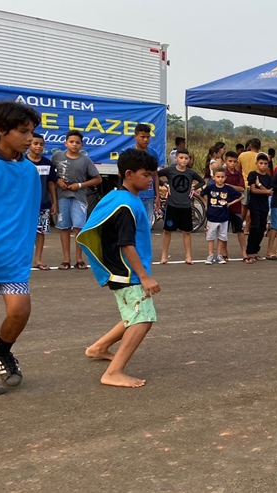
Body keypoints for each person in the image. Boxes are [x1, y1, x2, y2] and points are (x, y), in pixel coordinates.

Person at [78, 149, 161, 389]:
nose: (150, 180)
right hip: (127, 273)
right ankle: (113, 372)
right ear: (128, 174)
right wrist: (144, 277)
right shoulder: (126, 205)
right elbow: (126, 244)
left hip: (121, 271)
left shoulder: (117, 197)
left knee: (133, 314)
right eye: (146, 175)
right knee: (143, 320)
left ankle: (98, 348)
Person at [0, 101, 41, 396]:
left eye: (32, 132)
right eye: (23, 131)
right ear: (1, 130)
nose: (30, 138)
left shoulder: (29, 170)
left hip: (12, 257)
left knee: (20, 310)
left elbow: (26, 214)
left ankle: (2, 351)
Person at [52, 130, 102, 270]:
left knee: (79, 227)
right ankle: (66, 259)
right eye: (71, 142)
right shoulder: (57, 156)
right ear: (65, 143)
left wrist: (79, 185)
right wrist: (58, 181)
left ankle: (79, 259)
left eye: (77, 142)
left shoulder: (85, 160)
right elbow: (51, 175)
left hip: (78, 197)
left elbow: (97, 179)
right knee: (64, 227)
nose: (74, 145)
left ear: (82, 145)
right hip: (62, 196)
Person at [157, 149, 206, 265]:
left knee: (186, 232)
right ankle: (164, 256)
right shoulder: (170, 171)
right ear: (176, 158)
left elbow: (202, 181)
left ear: (188, 159)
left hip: (185, 205)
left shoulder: (190, 173)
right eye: (181, 158)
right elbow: (155, 175)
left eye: (186, 158)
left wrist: (193, 188)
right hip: (172, 205)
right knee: (167, 231)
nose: (183, 160)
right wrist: (164, 184)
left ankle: (188, 256)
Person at [27, 132, 58, 271]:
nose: (39, 146)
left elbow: (51, 184)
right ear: (29, 145)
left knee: (41, 232)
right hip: (25, 206)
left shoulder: (47, 163)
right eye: (35, 143)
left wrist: (54, 202)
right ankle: (24, 260)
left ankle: (38, 260)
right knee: (24, 233)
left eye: (41, 144)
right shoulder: (22, 162)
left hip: (44, 204)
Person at [202, 166, 243, 264]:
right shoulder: (210, 187)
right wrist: (205, 204)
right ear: (214, 177)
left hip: (224, 217)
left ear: (225, 178)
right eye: (218, 177)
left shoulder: (228, 188)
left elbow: (241, 196)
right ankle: (210, 255)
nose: (220, 179)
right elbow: (201, 193)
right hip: (212, 217)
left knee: (222, 237)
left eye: (222, 177)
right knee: (210, 237)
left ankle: (219, 255)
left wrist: (230, 203)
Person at [245, 153, 272, 263]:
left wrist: (260, 185)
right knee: (255, 227)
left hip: (264, 206)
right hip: (254, 205)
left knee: (261, 228)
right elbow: (253, 190)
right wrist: (265, 190)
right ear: (256, 164)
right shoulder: (253, 174)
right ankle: (250, 250)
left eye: (265, 164)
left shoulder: (269, 178)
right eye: (261, 163)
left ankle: (256, 250)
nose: (263, 166)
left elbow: (269, 193)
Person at [223, 151, 248, 260]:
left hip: (236, 205)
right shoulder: (223, 173)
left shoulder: (238, 174)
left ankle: (244, 252)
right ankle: (224, 253)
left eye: (234, 162)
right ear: (226, 161)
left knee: (240, 230)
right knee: (224, 230)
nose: (232, 164)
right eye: (230, 161)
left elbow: (242, 188)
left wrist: (228, 186)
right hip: (224, 205)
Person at [133, 124, 158, 221]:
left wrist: (157, 196)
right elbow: (122, 174)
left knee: (146, 226)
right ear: (135, 136)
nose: (145, 140)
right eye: (142, 137)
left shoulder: (153, 153)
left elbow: (155, 175)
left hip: (149, 196)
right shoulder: (129, 152)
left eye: (148, 137)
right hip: (133, 195)